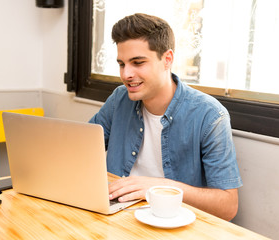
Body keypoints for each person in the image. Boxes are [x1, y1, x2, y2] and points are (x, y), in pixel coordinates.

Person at [89, 13, 242, 221]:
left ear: (167, 59)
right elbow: (81, 151)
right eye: (122, 64)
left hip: (171, 222)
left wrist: (162, 187)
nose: (126, 75)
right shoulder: (119, 99)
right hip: (114, 216)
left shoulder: (210, 115)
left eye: (138, 62)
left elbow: (227, 206)